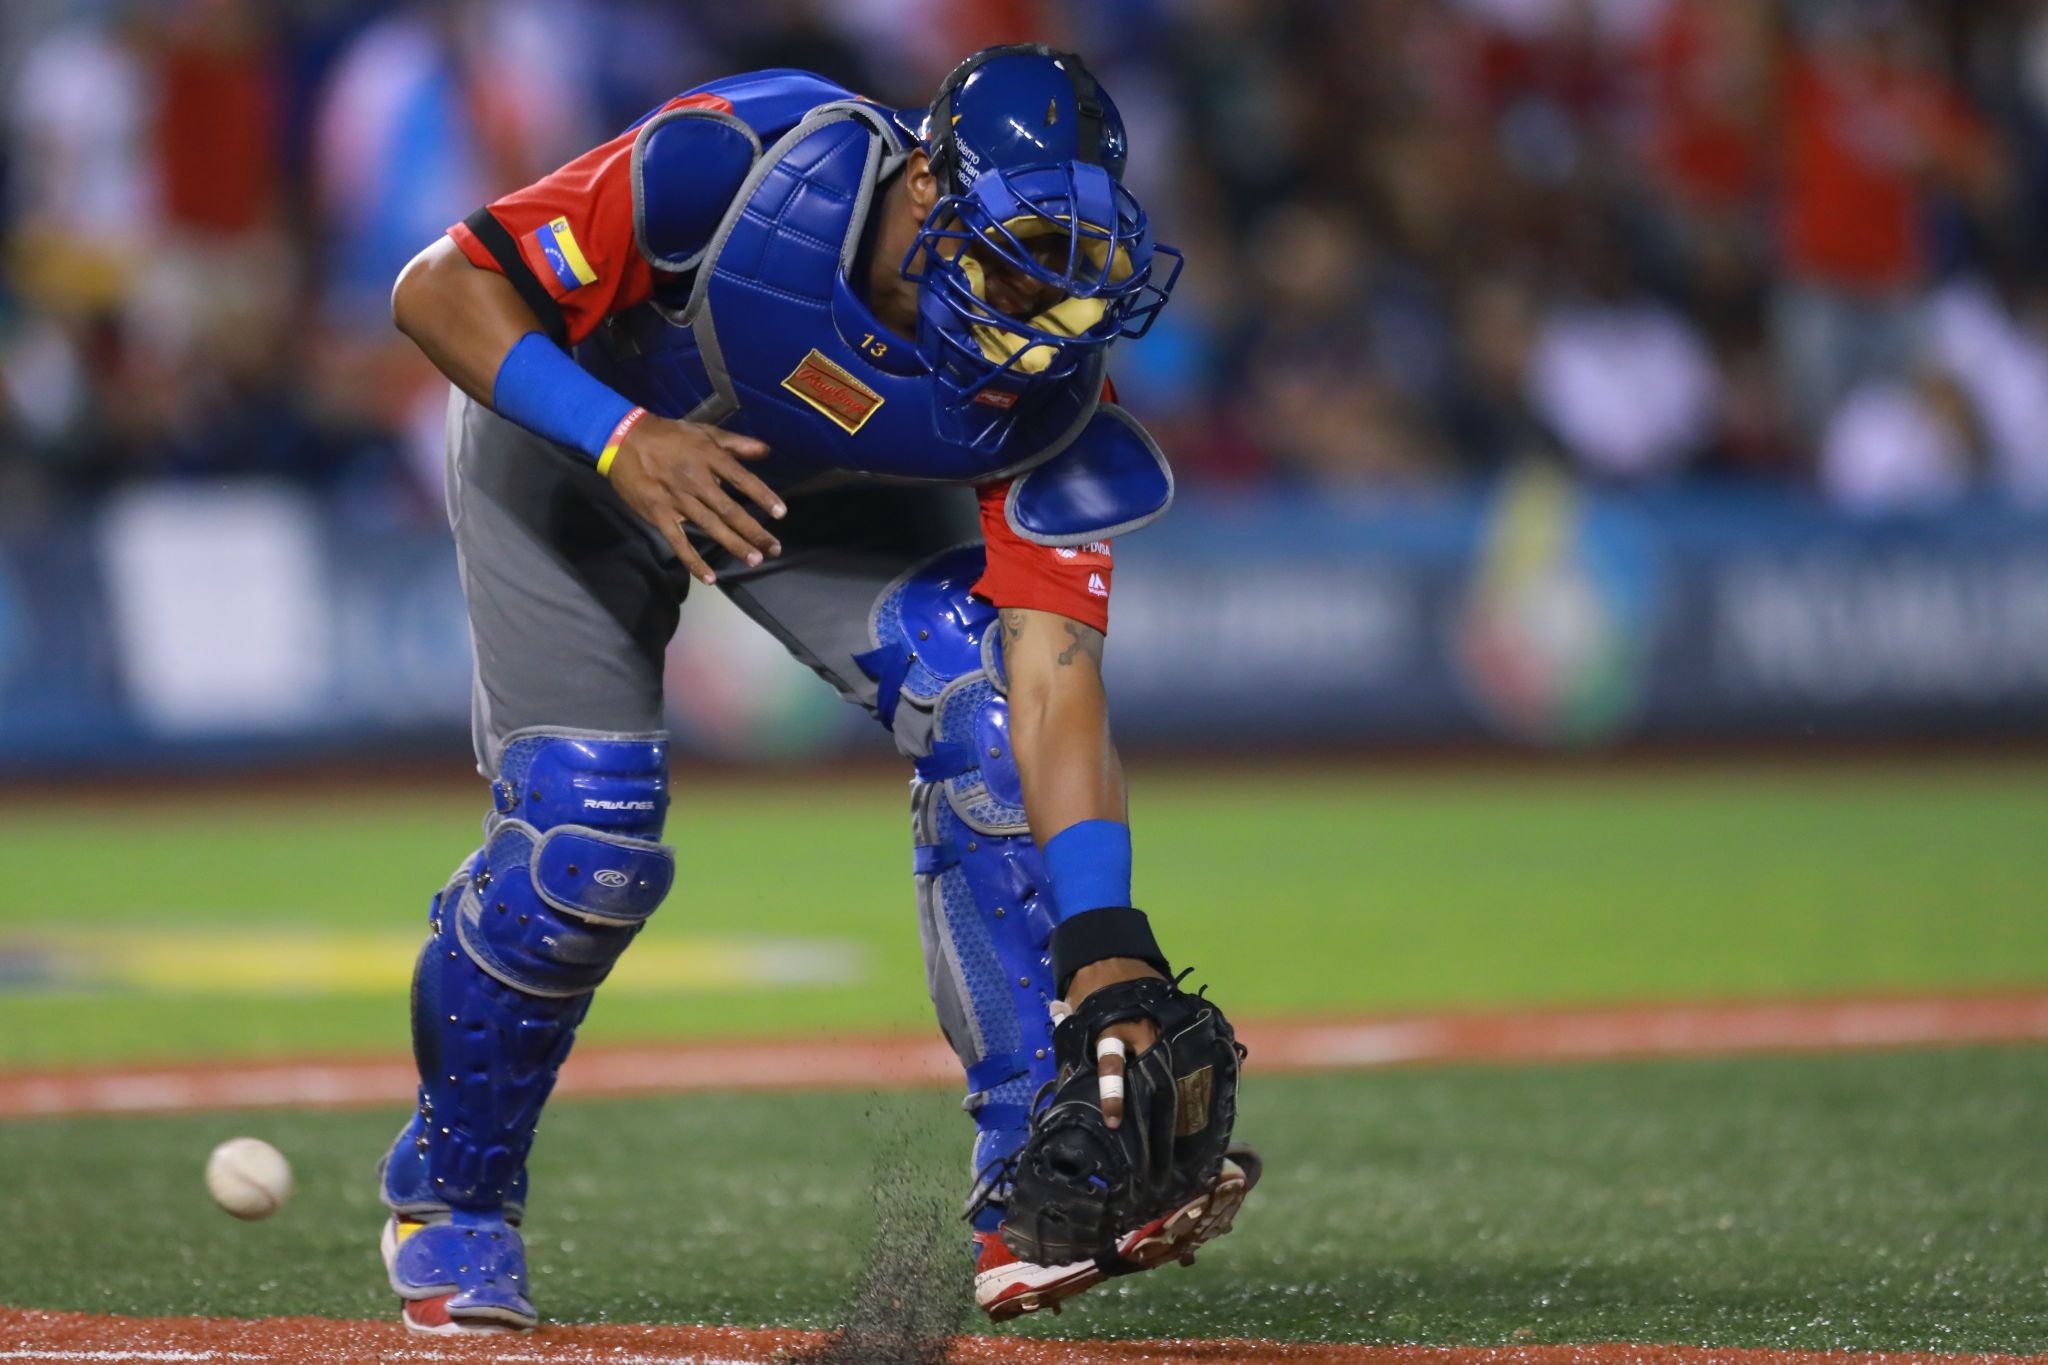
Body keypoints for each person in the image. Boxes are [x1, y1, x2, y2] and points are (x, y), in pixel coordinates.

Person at [374, 45, 1257, 1336]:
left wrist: (1104, 947)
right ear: (924, 189)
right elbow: (438, 288)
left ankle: (1030, 1187)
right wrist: (624, 441)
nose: (1041, 312)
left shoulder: (1052, 379)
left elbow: (1056, 671)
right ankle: (449, 1188)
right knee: (585, 838)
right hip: (574, 444)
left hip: (797, 503)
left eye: (1069, 277)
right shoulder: (732, 166)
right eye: (1014, 257)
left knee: (988, 703)